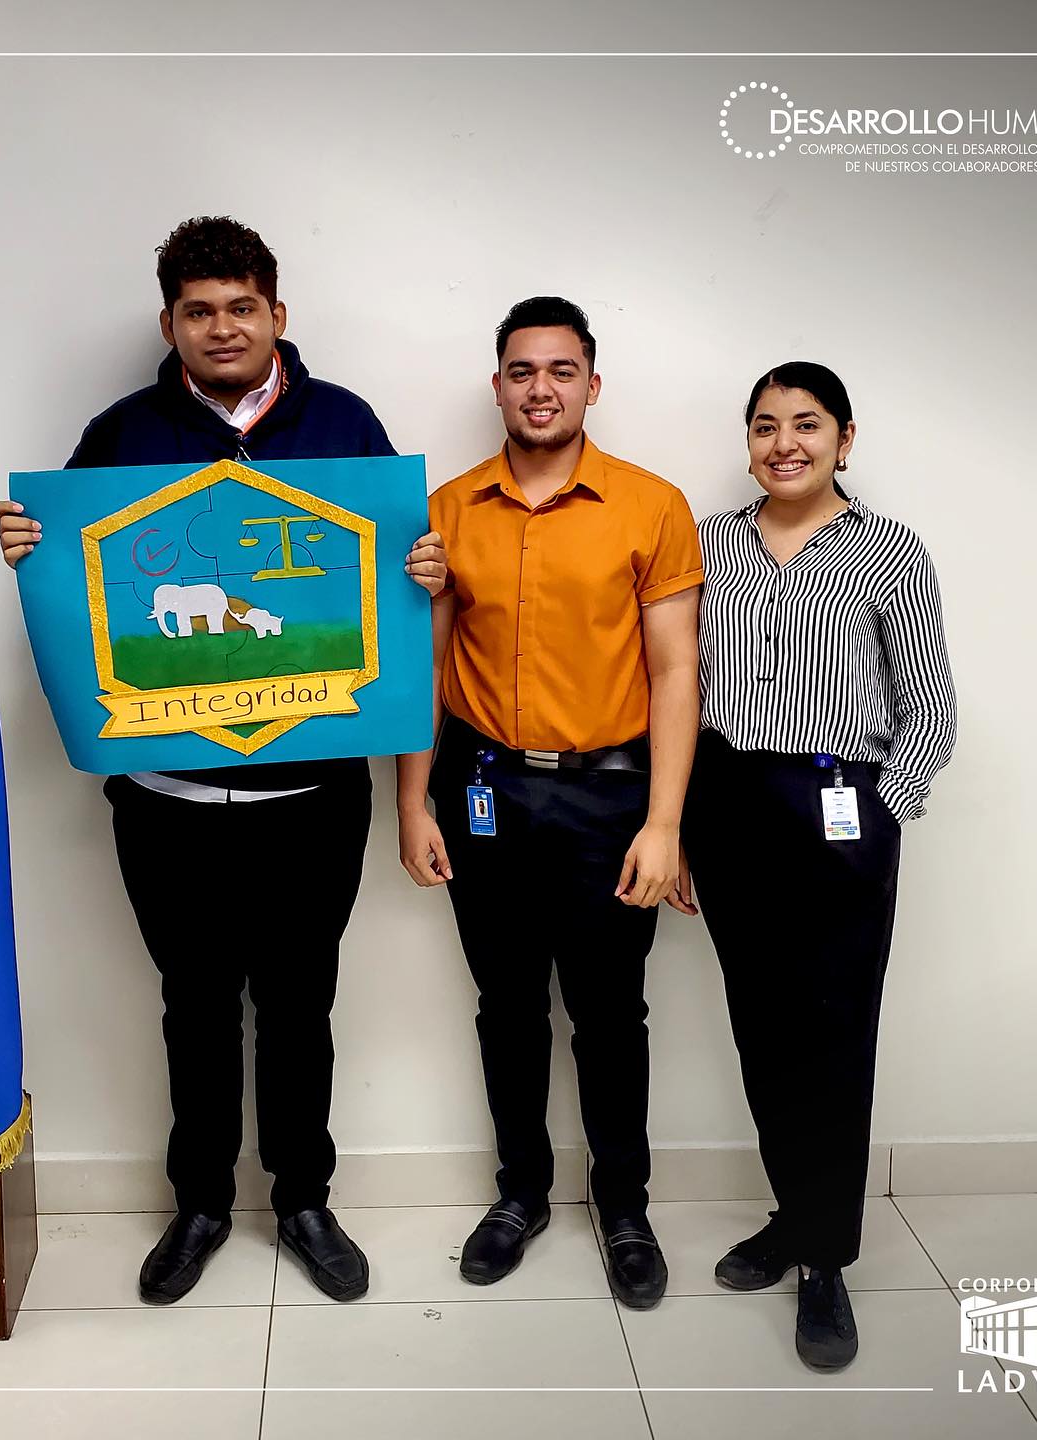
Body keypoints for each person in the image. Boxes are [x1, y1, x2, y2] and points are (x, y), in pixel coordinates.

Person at [0, 216, 445, 1304]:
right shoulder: (118, 434)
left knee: (300, 1004)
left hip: (314, 795)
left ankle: (303, 1200)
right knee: (192, 1005)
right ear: (171, 325)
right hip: (166, 800)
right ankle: (198, 1202)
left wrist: (424, 569)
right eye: (199, 311)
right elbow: (79, 589)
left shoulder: (345, 423)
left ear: (277, 314)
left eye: (242, 306)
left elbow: (390, 583)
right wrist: (30, 551)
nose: (223, 327)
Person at [396, 297, 703, 1310]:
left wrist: (665, 823)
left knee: (611, 1014)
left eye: (561, 370)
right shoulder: (446, 510)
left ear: (592, 385)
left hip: (610, 800)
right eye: (522, 371)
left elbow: (676, 670)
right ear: (497, 385)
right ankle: (520, 1194)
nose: (541, 388)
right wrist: (413, 803)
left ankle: (624, 1208)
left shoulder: (651, 506)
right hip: (482, 791)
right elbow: (423, 665)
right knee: (508, 1007)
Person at [680, 361, 956, 1368]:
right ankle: (794, 1215)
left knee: (834, 1035)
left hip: (841, 807)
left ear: (845, 438)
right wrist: (678, 823)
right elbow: (676, 682)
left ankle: (825, 1258)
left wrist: (881, 815)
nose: (783, 443)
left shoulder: (889, 551)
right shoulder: (708, 545)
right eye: (765, 425)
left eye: (805, 424)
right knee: (764, 1031)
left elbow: (931, 705)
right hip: (729, 802)